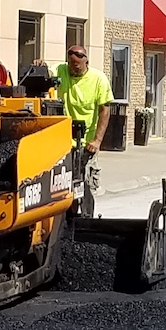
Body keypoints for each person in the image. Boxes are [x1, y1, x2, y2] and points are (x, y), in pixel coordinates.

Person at [52, 45, 114, 211]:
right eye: (71, 65)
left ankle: (87, 218)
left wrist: (97, 140)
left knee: (84, 183)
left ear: (86, 61)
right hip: (64, 141)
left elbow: (105, 111)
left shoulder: (99, 79)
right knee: (65, 184)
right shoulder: (61, 70)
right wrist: (39, 66)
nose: (74, 69)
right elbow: (45, 73)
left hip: (87, 142)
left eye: (77, 65)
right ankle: (68, 218)